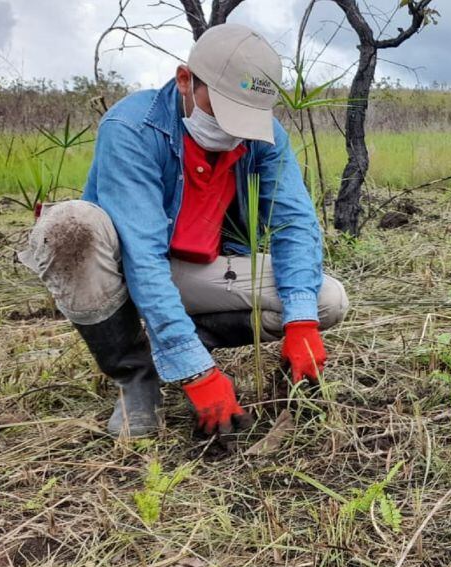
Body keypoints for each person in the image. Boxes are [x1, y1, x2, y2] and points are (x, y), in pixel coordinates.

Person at [18, 24, 348, 438]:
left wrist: (301, 324)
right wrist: (199, 376)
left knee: (325, 299)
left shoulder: (264, 137)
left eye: (246, 117)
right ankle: (136, 379)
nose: (233, 131)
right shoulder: (132, 128)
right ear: (185, 81)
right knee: (68, 228)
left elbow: (294, 223)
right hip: (121, 272)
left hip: (196, 271)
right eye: (224, 111)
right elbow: (143, 257)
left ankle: (194, 342)